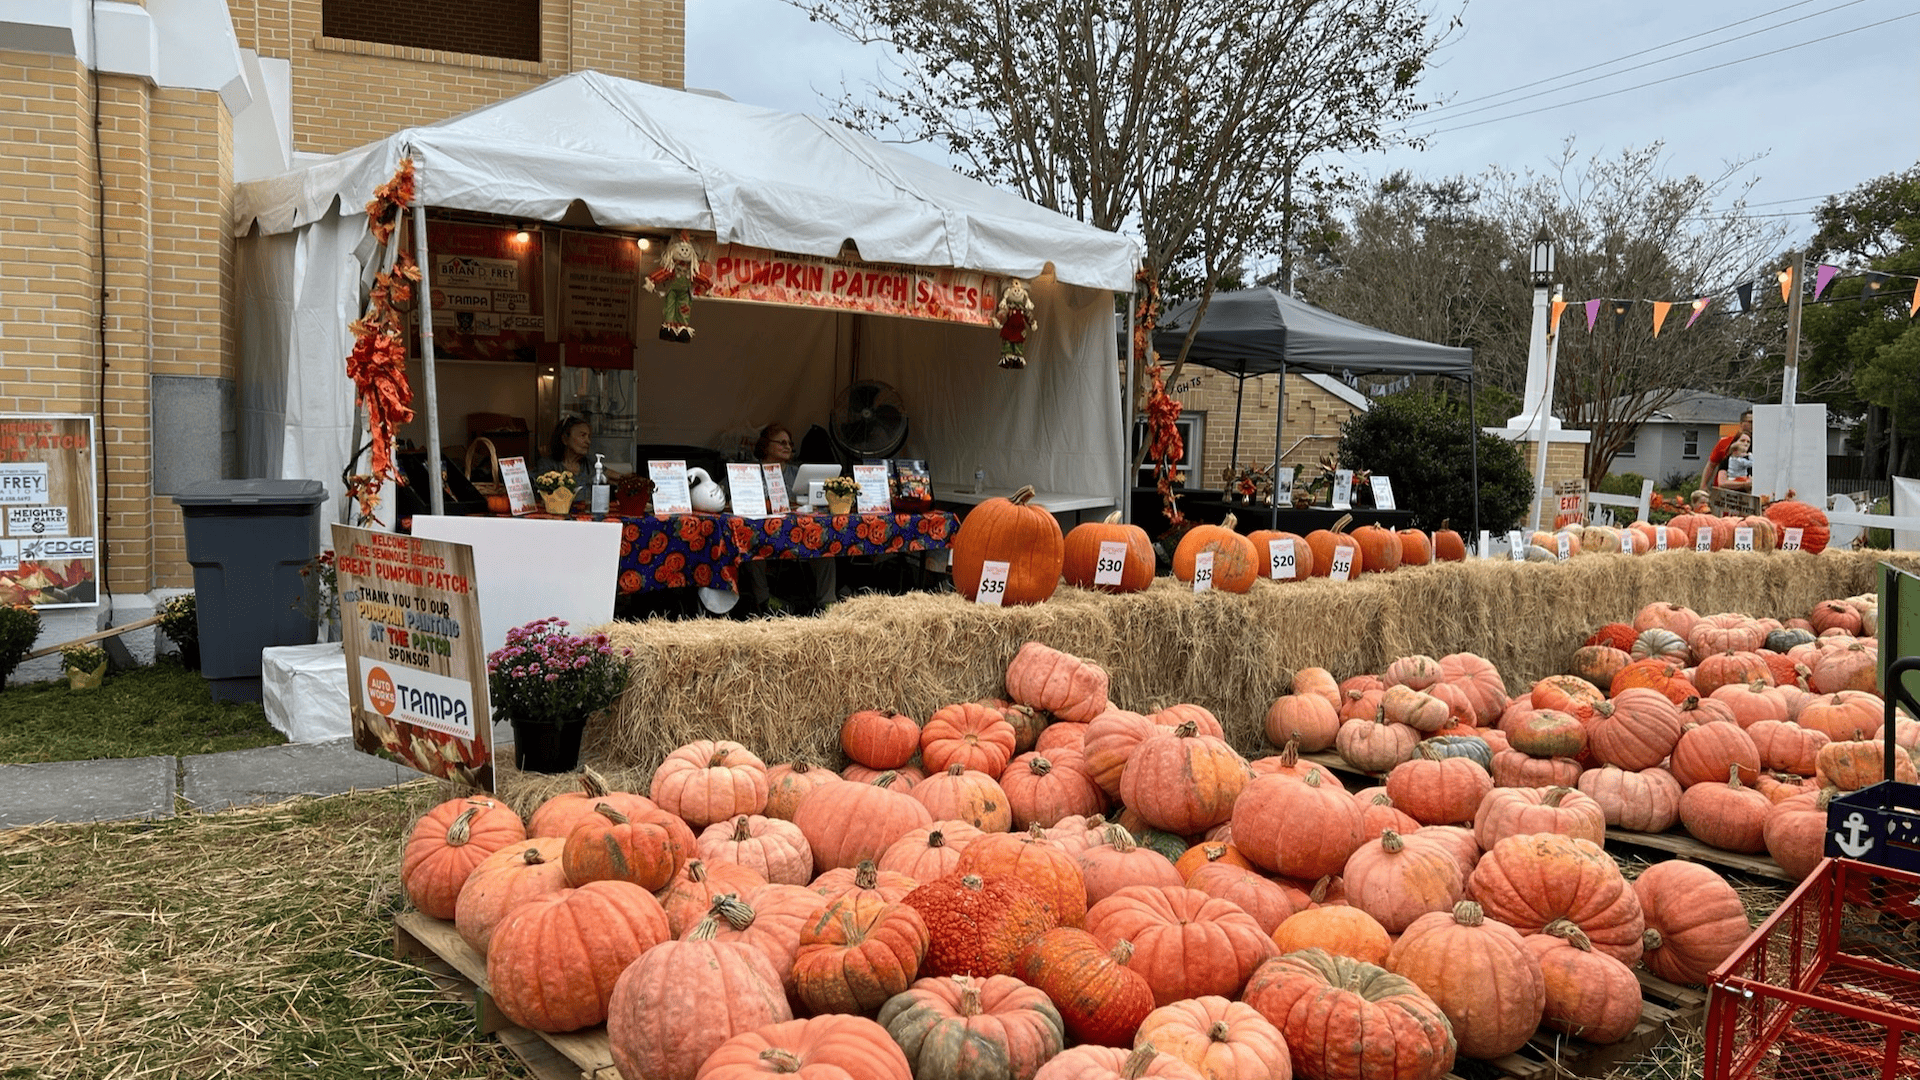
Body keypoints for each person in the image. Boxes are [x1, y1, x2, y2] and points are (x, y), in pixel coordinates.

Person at [742, 423, 838, 616]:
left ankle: (828, 602)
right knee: (750, 541)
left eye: (790, 443)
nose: (788, 447)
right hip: (764, 534)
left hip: (797, 534)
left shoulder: (797, 473)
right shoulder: (748, 473)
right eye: (782, 442)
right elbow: (722, 493)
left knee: (824, 541)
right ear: (766, 445)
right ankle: (764, 599)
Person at [536, 415, 626, 493]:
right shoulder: (547, 465)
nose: (588, 441)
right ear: (565, 439)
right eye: (583, 436)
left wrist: (630, 479)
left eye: (589, 436)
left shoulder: (590, 464)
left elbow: (617, 478)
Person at [1701, 408, 1753, 490]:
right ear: (1741, 423)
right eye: (1750, 422)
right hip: (1724, 491)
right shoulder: (1725, 442)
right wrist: (1703, 485)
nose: (1753, 425)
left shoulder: (1757, 447)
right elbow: (1711, 465)